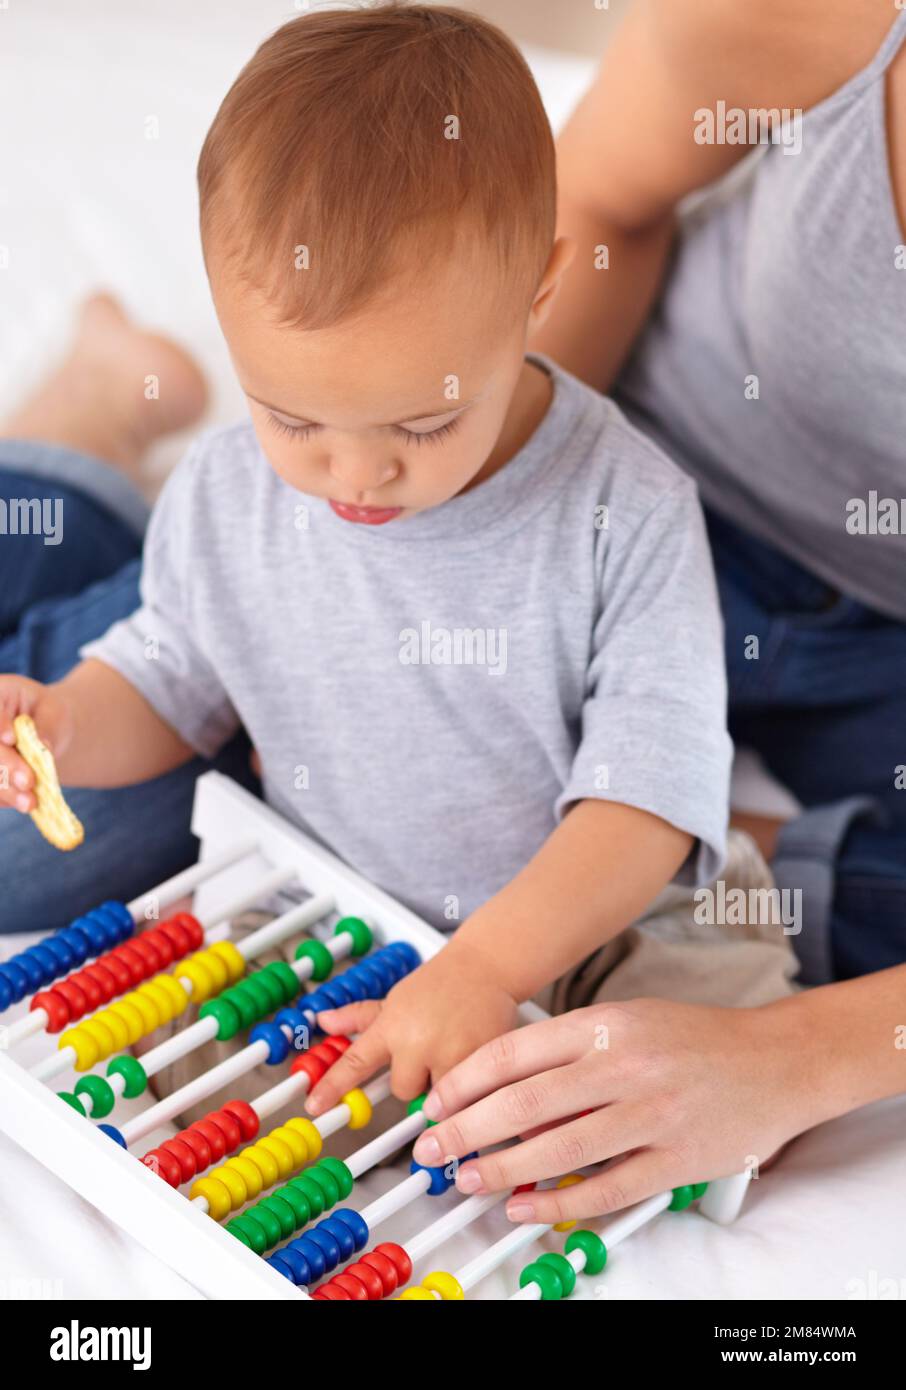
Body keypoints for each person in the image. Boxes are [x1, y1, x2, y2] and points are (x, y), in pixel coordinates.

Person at [0, 5, 734, 1129]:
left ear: (535, 292)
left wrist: (487, 966)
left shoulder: (625, 515)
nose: (354, 474)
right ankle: (82, 432)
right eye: (293, 416)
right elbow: (171, 680)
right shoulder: (231, 486)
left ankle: (73, 442)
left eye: (422, 425)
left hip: (577, 929)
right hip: (326, 895)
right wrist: (65, 724)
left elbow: (647, 806)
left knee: (685, 1083)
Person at [401, 0, 906, 1226]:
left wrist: (798, 1055)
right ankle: (86, 440)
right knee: (106, 807)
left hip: (885, 652)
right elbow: (598, 211)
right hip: (648, 481)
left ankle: (705, 837)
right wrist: (463, 553)